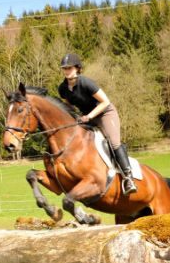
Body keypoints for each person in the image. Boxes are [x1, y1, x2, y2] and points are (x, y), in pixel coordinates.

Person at [57, 53, 138, 195]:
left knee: (114, 143)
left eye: (69, 68)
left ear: (77, 68)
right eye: (64, 68)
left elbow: (105, 101)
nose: (67, 71)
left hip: (105, 113)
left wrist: (89, 116)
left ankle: (128, 177)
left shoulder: (86, 83)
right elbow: (69, 106)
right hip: (87, 117)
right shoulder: (62, 88)